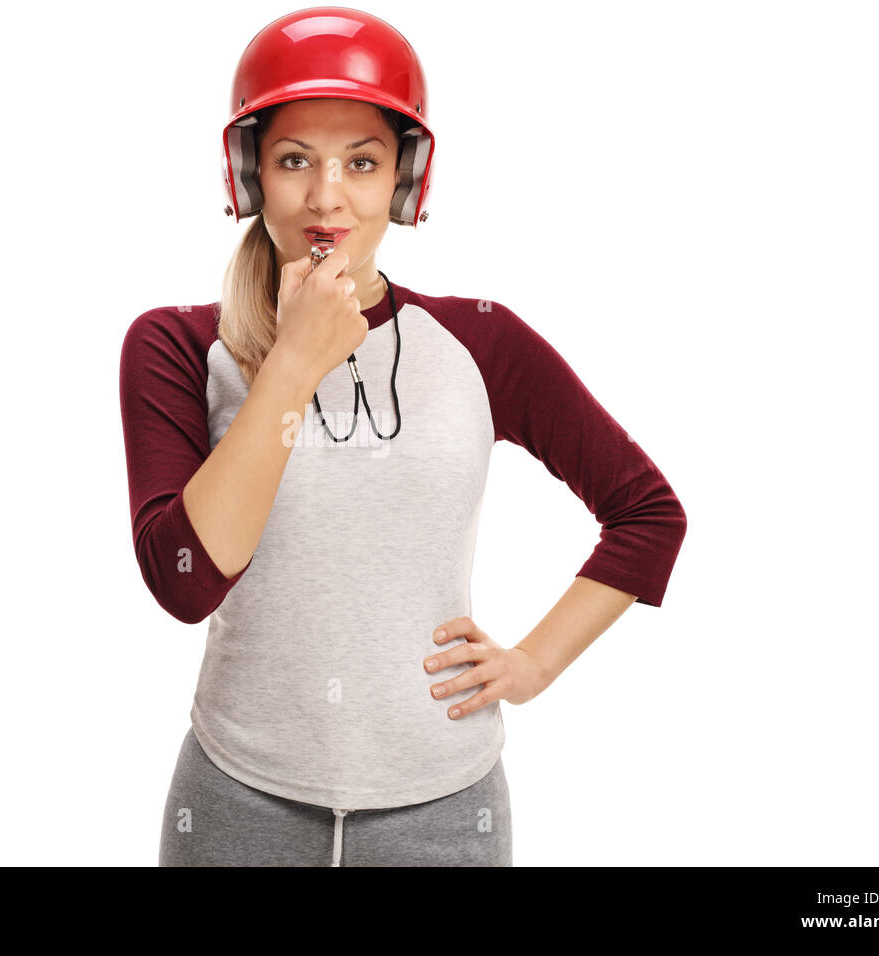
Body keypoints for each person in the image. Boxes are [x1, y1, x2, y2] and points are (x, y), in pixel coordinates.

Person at [119, 7, 687, 866]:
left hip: (444, 812)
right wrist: (292, 365)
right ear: (249, 173)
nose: (326, 196)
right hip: (236, 803)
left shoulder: (482, 342)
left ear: (404, 179)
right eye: (294, 160)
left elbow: (648, 514)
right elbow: (185, 581)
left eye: (362, 161)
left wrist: (531, 665)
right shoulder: (172, 344)